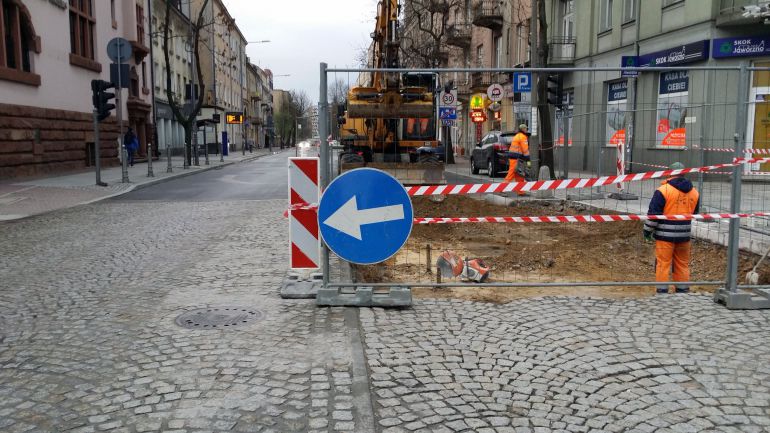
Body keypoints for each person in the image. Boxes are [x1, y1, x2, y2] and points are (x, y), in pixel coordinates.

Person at [643, 162, 700, 294]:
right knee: (682, 263)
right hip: (684, 236)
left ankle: (662, 291)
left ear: (669, 172)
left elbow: (653, 216)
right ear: (685, 173)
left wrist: (647, 231)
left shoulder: (663, 191)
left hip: (665, 237)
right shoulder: (695, 192)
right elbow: (695, 213)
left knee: (663, 263)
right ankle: (682, 289)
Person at [504, 124, 531, 196]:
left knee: (519, 175)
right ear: (523, 129)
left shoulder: (517, 136)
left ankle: (520, 191)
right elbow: (525, 149)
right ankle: (502, 189)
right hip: (516, 158)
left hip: (515, 157)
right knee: (512, 173)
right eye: (526, 129)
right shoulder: (523, 137)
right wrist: (528, 158)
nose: (526, 130)